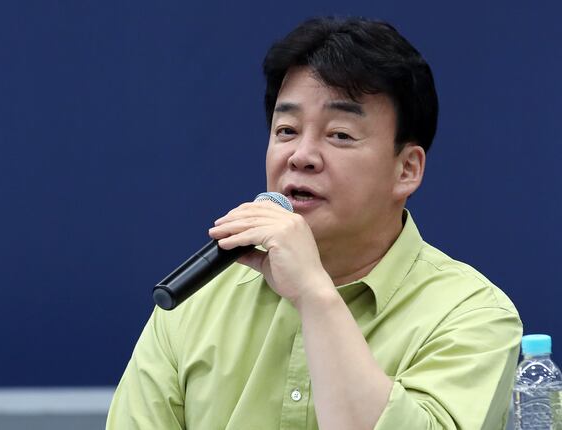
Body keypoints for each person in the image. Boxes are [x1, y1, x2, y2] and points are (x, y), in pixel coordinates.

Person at [106, 16, 522, 430]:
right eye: (287, 130)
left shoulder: (472, 316)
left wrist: (313, 294)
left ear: (406, 169)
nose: (301, 156)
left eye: (340, 135)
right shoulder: (197, 300)